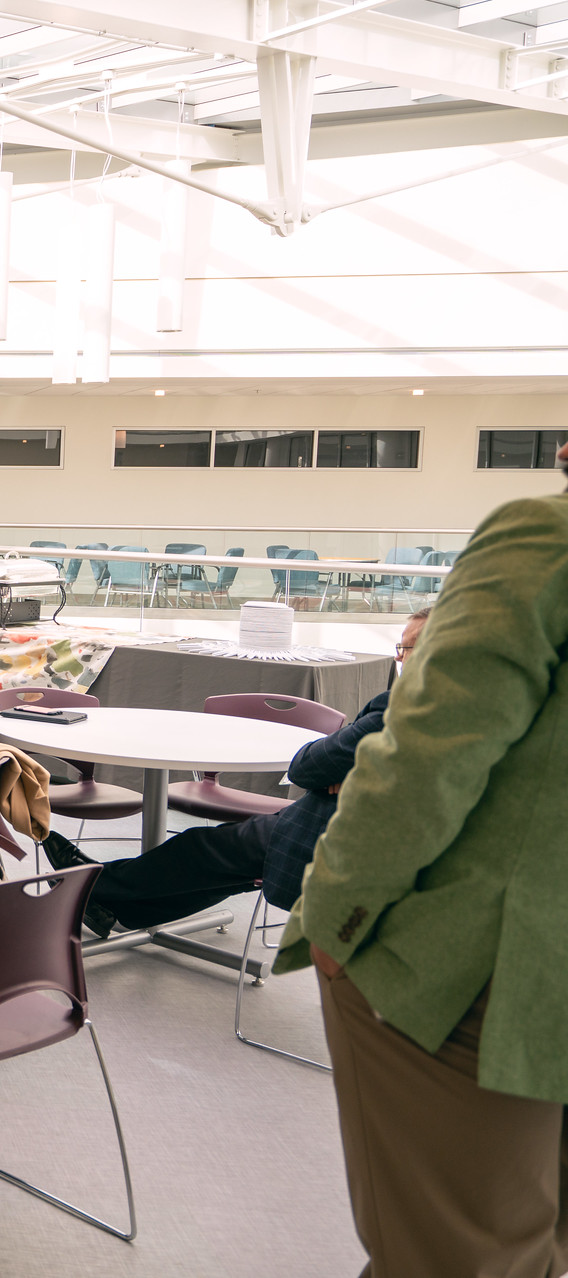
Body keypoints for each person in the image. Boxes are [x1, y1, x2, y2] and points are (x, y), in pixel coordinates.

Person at [275, 439, 568, 1278]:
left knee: (458, 1251)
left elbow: (428, 755)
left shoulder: (544, 538)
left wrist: (336, 918)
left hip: (479, 968)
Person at [40, 611, 423, 938]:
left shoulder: (405, 706)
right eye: (400, 647)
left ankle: (89, 884)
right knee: (223, 860)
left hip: (337, 836)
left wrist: (345, 770)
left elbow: (307, 767)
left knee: (203, 849)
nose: (399, 657)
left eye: (406, 648)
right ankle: (114, 905)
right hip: (387, 839)